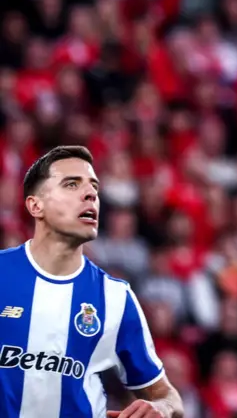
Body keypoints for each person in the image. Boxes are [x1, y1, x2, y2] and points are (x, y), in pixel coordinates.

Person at [0, 145, 184, 417]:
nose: (90, 194)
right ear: (35, 205)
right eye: (71, 185)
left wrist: (161, 407)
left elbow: (168, 396)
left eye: (94, 187)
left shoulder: (115, 297)